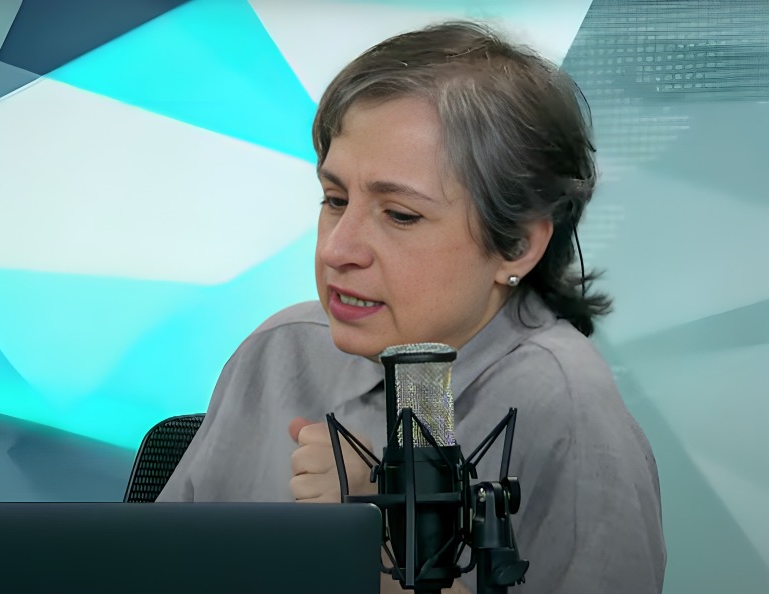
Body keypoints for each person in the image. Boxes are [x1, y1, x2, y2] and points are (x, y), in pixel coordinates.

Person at [157, 20, 666, 594]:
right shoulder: (279, 349)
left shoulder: (569, 410)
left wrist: (374, 540)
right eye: (335, 200)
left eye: (400, 215)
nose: (337, 250)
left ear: (518, 244)